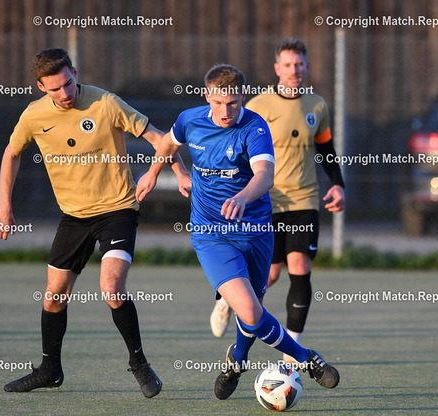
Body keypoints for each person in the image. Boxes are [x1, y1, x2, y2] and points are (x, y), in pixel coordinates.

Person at [0, 48, 190, 397]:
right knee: (53, 297)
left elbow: (158, 137)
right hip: (74, 216)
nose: (65, 93)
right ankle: (50, 370)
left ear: (75, 73)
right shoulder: (34, 115)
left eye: (68, 83)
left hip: (118, 209)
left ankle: (139, 364)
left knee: (111, 288)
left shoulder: (106, 103)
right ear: (41, 87)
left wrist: (181, 171)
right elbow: (12, 152)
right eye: (55, 89)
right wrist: (4, 206)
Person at [136, 64, 339, 399]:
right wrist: (155, 173)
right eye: (218, 103)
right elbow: (167, 144)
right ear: (207, 96)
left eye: (232, 103)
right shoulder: (189, 120)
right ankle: (308, 359)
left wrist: (242, 197)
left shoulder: (255, 127)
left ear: (243, 96)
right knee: (249, 310)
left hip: (256, 232)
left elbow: (265, 175)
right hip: (210, 233)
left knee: (253, 311)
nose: (225, 111)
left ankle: (237, 361)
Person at [210, 38, 345, 367]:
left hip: (304, 199)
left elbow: (326, 150)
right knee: (267, 277)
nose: (294, 70)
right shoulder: (257, 106)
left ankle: (292, 348)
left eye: (299, 64)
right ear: (277, 68)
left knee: (300, 267)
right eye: (287, 65)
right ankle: (227, 300)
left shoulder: (317, 106)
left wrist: (338, 184)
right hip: (264, 202)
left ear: (307, 67)